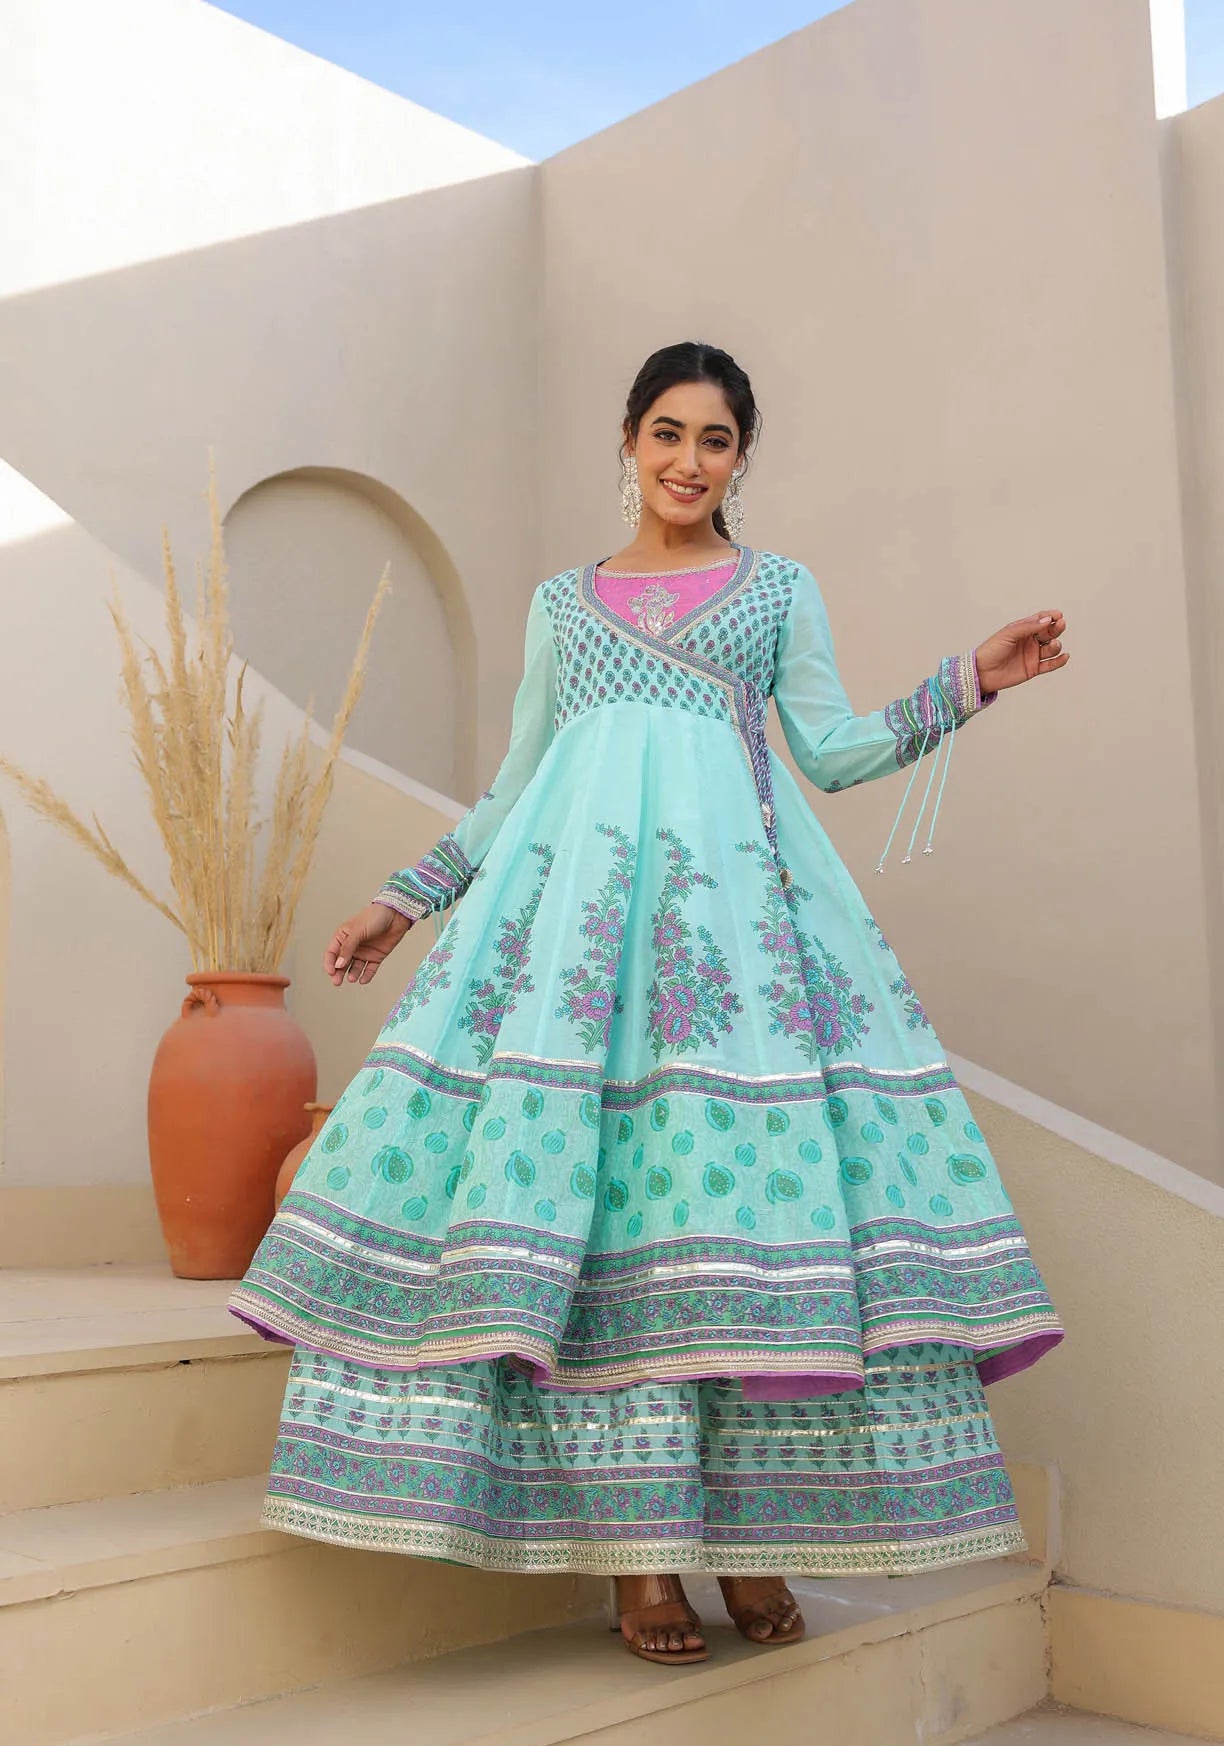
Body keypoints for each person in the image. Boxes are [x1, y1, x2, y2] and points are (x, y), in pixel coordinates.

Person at [230, 341, 1068, 1667]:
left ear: (742, 457)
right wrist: (406, 898)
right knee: (611, 1231)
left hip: (736, 960)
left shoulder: (775, 589)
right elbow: (516, 784)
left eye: (715, 439)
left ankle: (750, 1540)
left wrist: (970, 681)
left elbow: (833, 751)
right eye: (667, 432)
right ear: (628, 441)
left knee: (727, 1232)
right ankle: (641, 1562)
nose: (688, 460)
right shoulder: (564, 607)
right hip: (575, 965)